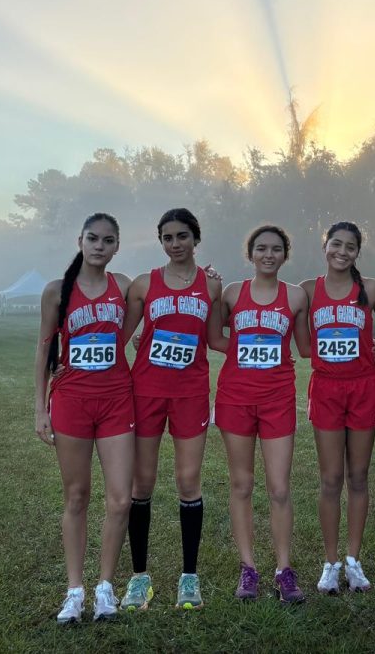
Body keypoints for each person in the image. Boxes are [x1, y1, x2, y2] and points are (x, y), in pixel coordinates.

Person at [33, 213, 135, 625]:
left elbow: (172, 282)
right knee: (76, 497)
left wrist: (207, 272)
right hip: (72, 401)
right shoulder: (57, 292)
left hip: (116, 400)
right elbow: (43, 351)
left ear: (116, 246)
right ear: (80, 240)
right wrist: (40, 408)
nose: (99, 246)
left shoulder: (124, 287)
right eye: (92, 238)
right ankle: (75, 591)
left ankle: (105, 588)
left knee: (120, 498)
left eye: (107, 240)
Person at [119, 208, 223, 611]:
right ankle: (139, 579)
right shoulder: (145, 284)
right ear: (160, 241)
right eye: (168, 237)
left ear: (196, 238)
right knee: (140, 485)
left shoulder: (211, 287)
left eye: (182, 236)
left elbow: (215, 339)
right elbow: (123, 334)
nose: (175, 244)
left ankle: (189, 579)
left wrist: (261, 346)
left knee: (188, 482)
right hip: (146, 392)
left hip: (190, 394)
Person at [210, 226, 310, 604]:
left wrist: (353, 331)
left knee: (280, 487)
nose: (269, 255)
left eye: (276, 249)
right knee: (242, 485)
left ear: (286, 254)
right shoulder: (233, 292)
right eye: (261, 248)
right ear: (250, 253)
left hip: (278, 398)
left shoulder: (296, 296)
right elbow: (215, 337)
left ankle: (284, 570)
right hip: (236, 397)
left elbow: (304, 347)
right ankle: (248, 568)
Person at [301, 221, 375, 594]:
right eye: (335, 244)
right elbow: (303, 344)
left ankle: (353, 561)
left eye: (350, 247)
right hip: (326, 389)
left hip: (363, 389)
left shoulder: (370, 289)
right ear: (324, 246)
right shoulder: (307, 291)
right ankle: (330, 562)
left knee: (358, 476)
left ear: (357, 252)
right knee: (330, 479)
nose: (342, 251)